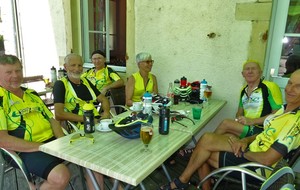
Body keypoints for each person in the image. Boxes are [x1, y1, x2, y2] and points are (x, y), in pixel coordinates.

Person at [160, 69, 300, 190]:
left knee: (204, 148)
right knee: (208, 140)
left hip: (259, 168)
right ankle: (195, 181)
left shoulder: (296, 121)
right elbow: (265, 133)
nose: (289, 89)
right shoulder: (284, 108)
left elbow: (267, 160)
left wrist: (244, 151)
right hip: (253, 148)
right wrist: (244, 141)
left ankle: (184, 181)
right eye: (289, 83)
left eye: (297, 86)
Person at [178, 60, 283, 159]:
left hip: (262, 130)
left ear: (260, 72)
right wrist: (239, 119)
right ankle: (211, 173)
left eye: (253, 69)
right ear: (243, 74)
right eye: (247, 69)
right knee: (221, 139)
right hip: (246, 128)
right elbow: (239, 112)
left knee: (226, 124)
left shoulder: (270, 87)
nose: (250, 71)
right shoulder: (244, 90)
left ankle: (196, 149)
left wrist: (252, 121)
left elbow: (278, 114)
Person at [0, 54, 70, 190]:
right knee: (60, 176)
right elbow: (3, 140)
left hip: (51, 143)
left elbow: (52, 119)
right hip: (21, 151)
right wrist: (41, 147)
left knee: (91, 156)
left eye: (18, 70)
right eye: (8, 72)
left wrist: (62, 140)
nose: (15, 75)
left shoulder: (31, 93)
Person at [53, 53, 110, 190]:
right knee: (99, 160)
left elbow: (104, 99)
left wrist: (106, 112)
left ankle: (115, 181)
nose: (77, 68)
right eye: (73, 65)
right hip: (79, 129)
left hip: (98, 124)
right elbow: (59, 114)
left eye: (80, 65)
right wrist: (88, 119)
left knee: (118, 147)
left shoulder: (85, 82)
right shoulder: (61, 85)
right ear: (65, 67)